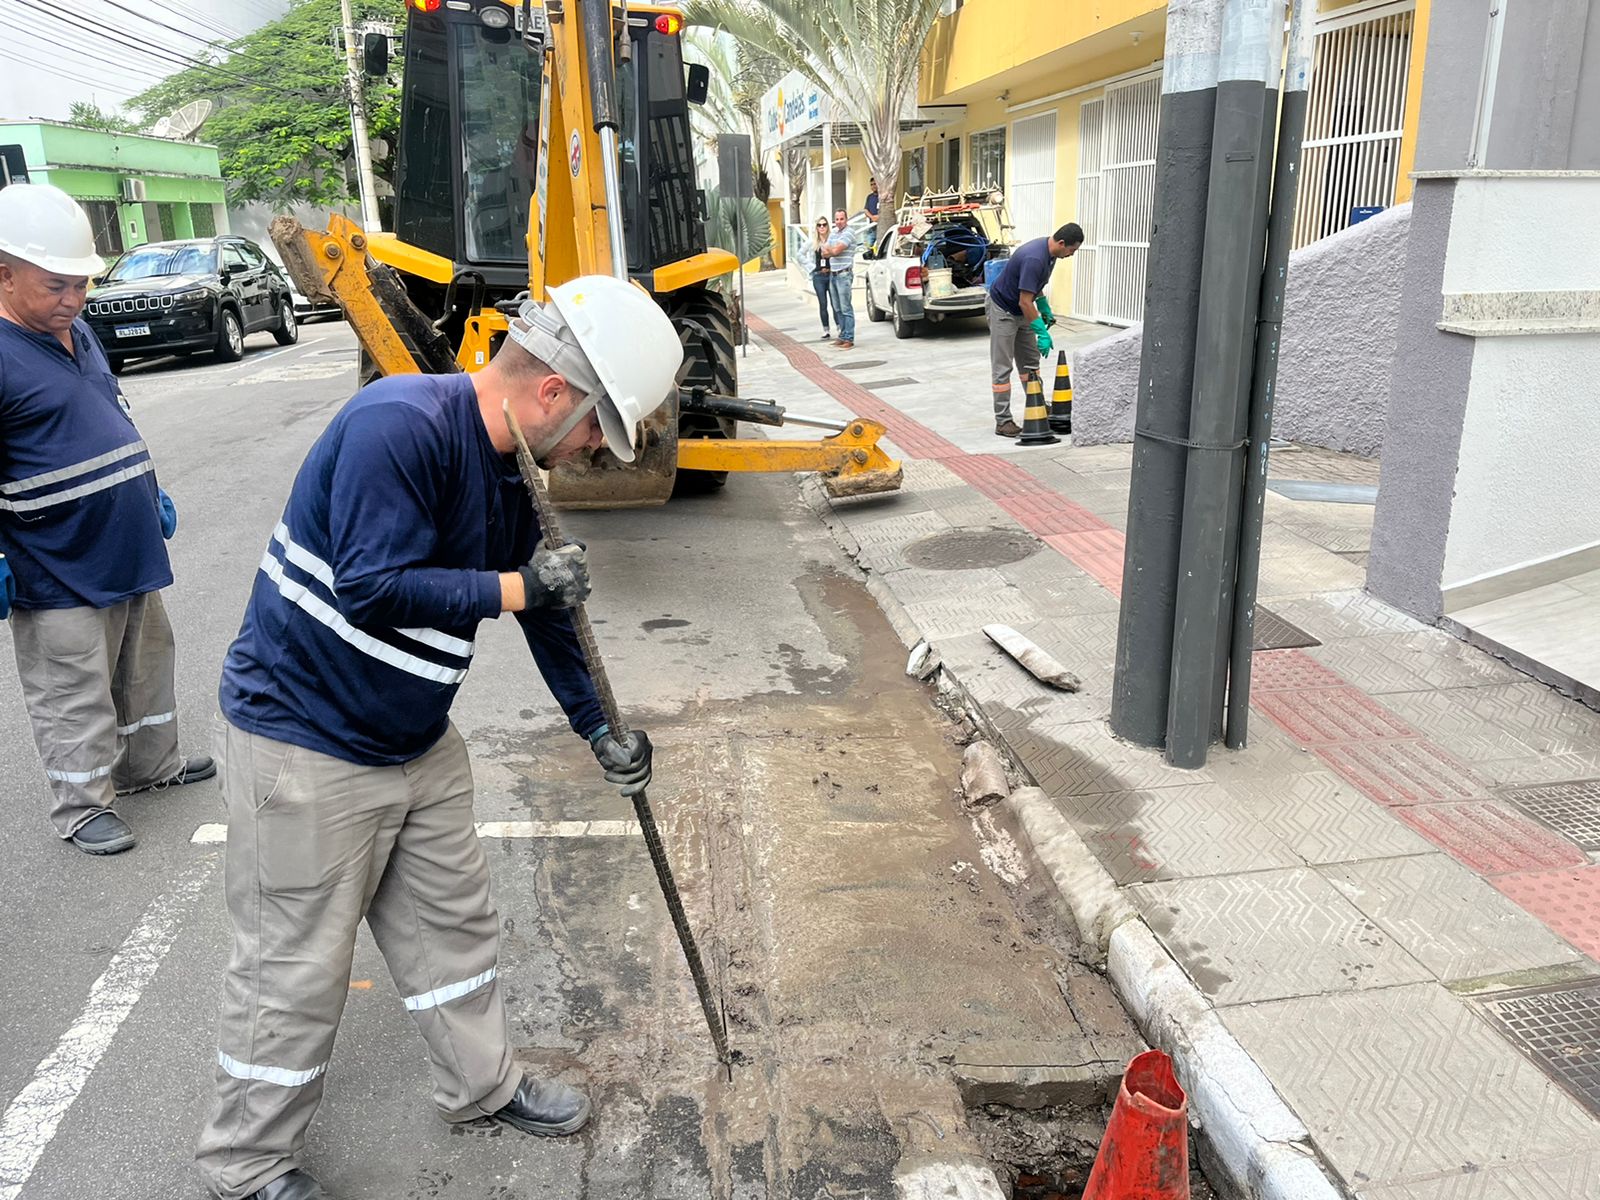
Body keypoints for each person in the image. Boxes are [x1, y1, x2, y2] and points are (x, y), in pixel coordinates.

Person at [193, 275, 684, 1200]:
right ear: (552, 393)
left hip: (414, 737)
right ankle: (245, 1163)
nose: (588, 453)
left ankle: (481, 1086)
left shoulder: (510, 474)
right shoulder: (400, 424)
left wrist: (596, 728)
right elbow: (374, 586)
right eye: (591, 430)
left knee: (454, 927)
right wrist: (520, 588)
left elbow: (550, 610)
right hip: (307, 740)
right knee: (294, 966)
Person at [0, 182, 214, 857]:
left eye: (81, 285)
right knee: (74, 687)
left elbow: (106, 416)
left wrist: (146, 491)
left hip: (126, 542)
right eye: (57, 285)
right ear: (3, 274)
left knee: (145, 664)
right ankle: (82, 805)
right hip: (56, 559)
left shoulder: (77, 331)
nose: (74, 299)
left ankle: (149, 767)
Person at [985, 223, 1082, 438]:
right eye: (1072, 250)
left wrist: (1044, 306)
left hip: (1021, 309)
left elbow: (1033, 287)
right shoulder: (1035, 258)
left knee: (1030, 363)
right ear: (1062, 243)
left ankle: (1036, 406)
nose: (1071, 255)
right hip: (1003, 309)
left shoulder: (1051, 254)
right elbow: (1025, 302)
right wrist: (1041, 331)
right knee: (1002, 367)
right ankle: (1003, 421)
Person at [819, 209, 860, 350]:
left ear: (846, 219)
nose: (839, 222)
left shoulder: (849, 232)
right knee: (837, 308)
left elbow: (835, 251)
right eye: (837, 219)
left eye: (841, 219)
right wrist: (831, 249)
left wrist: (832, 249)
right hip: (833, 274)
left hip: (844, 274)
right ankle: (842, 335)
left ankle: (849, 337)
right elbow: (824, 253)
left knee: (845, 307)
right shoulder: (834, 233)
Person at [809, 216, 837, 341]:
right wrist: (812, 268)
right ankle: (826, 330)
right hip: (819, 276)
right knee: (823, 303)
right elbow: (800, 255)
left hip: (831, 274)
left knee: (835, 302)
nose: (822, 227)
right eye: (819, 225)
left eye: (824, 225)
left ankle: (840, 327)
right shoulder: (813, 242)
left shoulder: (833, 239)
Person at [860, 178, 881, 251]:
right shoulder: (869, 197)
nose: (873, 186)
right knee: (869, 247)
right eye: (871, 185)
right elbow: (865, 210)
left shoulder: (882, 197)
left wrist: (879, 217)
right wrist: (872, 217)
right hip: (872, 227)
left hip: (881, 227)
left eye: (875, 184)